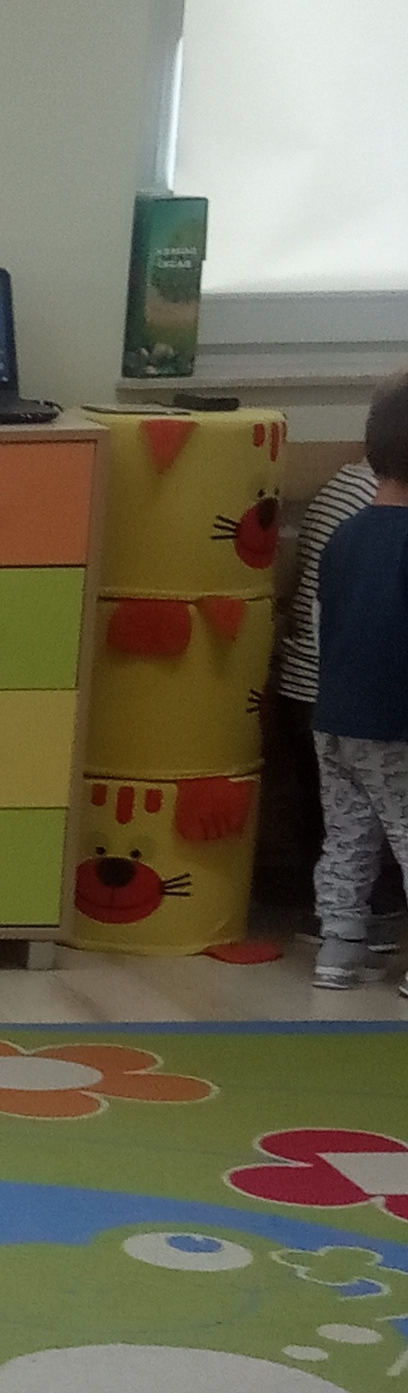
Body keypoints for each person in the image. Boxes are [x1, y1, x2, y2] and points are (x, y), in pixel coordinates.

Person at [311, 368, 408, 991]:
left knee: (348, 834)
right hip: (396, 722)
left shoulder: (345, 535)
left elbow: (327, 622)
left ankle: (339, 948)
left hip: (336, 717)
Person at [265, 437, 384, 935]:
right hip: (343, 692)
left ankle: (341, 923)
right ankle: (371, 911)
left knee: (339, 822)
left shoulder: (347, 485)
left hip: (310, 689)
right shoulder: (377, 507)